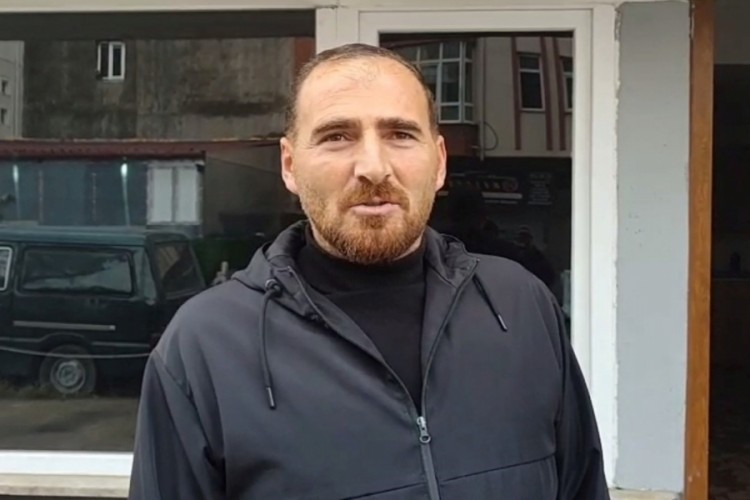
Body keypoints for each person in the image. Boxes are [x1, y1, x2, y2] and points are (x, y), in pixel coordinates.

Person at [129, 43, 609, 500]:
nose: (374, 167)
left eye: (400, 134)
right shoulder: (205, 345)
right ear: (290, 166)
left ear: (439, 162)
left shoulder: (520, 306)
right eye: (337, 136)